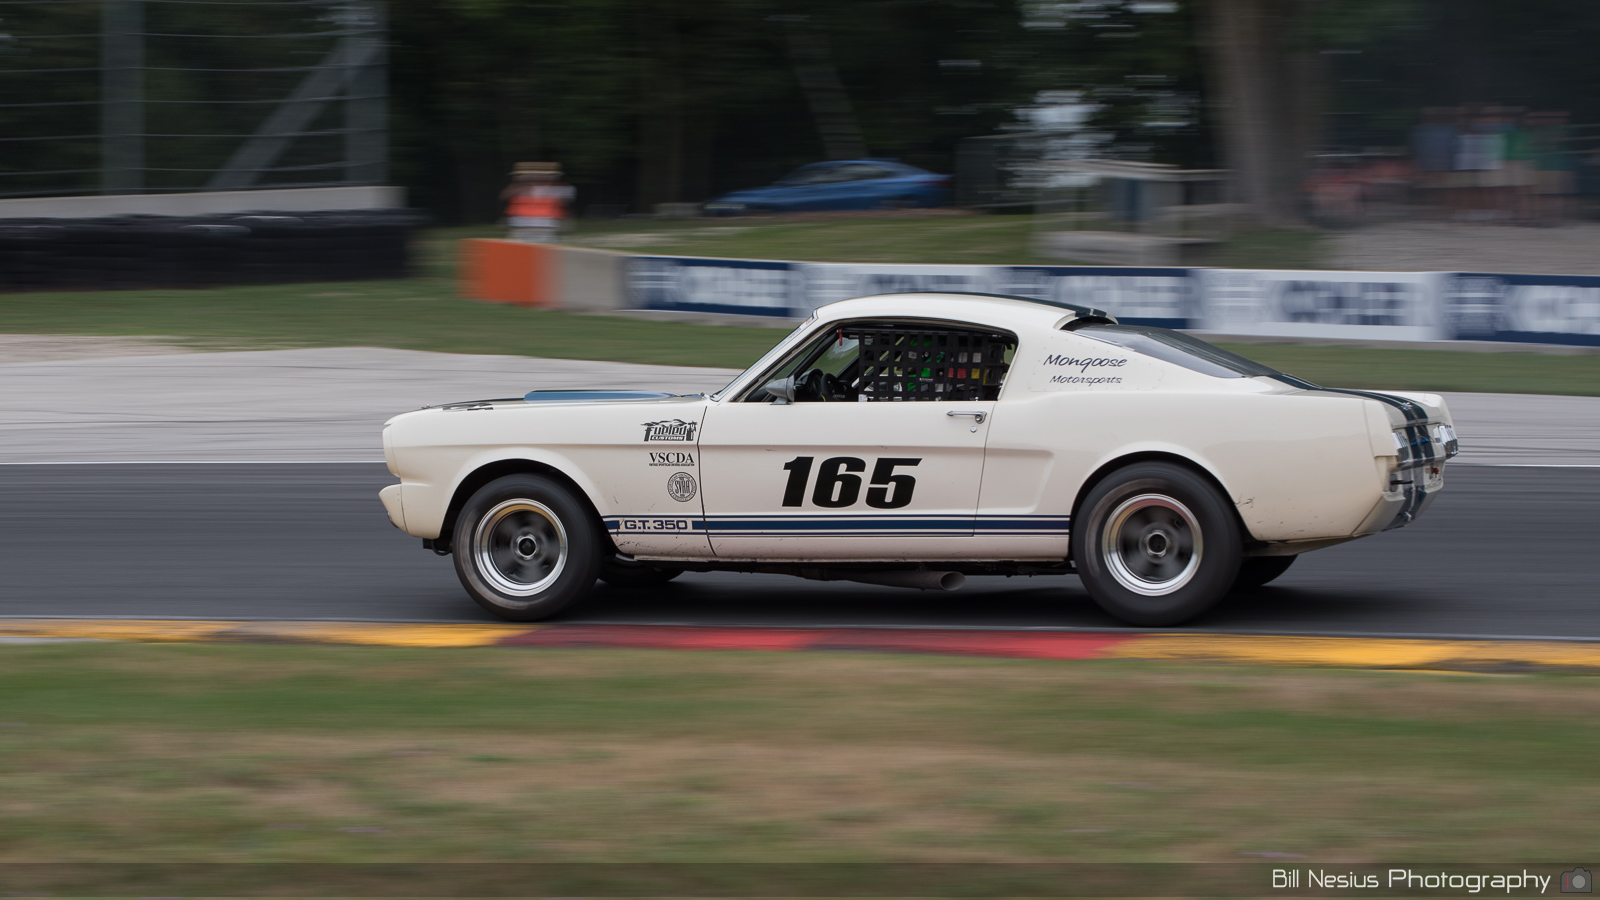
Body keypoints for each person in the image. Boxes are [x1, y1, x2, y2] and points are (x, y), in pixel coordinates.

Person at [502, 162, 574, 243]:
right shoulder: (518, 188)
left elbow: (565, 205)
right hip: (521, 226)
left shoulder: (559, 189)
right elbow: (505, 196)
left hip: (546, 227)